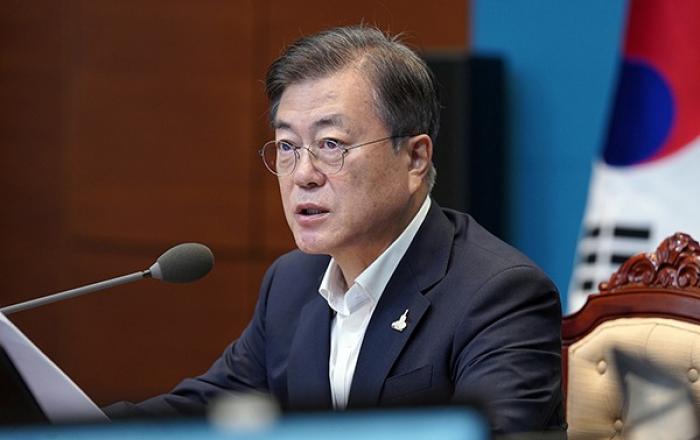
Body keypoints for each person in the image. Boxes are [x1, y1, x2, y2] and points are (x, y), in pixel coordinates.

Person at [107, 25, 564, 434]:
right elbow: (206, 410)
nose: (303, 174)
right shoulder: (291, 284)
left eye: (331, 144)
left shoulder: (498, 296)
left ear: (415, 158)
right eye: (287, 146)